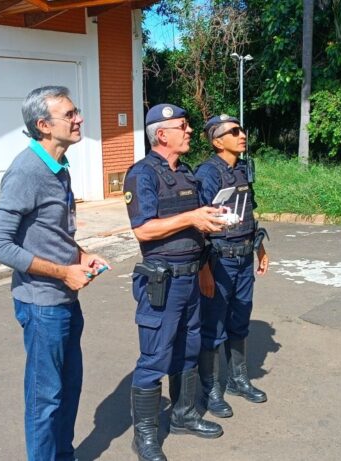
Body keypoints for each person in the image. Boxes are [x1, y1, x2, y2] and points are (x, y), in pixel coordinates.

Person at [0, 86, 109, 461]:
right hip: (42, 306)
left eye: (77, 111)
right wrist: (62, 272)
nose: (79, 119)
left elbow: (51, 232)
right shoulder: (27, 171)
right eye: (69, 114)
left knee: (68, 390)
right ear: (43, 125)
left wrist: (81, 254)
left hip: (64, 300)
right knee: (46, 399)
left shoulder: (59, 167)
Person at [123, 103, 228, 461]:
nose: (188, 132)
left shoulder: (186, 174)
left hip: (191, 279)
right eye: (182, 126)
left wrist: (204, 266)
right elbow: (143, 228)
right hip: (162, 283)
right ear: (161, 134)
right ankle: (146, 438)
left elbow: (197, 227)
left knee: (188, 349)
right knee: (155, 357)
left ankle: (183, 416)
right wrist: (191, 217)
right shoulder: (141, 175)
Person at [195, 114, 270, 419]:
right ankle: (211, 389)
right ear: (217, 141)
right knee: (213, 325)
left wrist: (260, 248)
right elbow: (198, 225)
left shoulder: (242, 168)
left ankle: (237, 380)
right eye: (234, 131)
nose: (242, 135)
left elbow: (249, 213)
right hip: (219, 259)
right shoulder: (207, 173)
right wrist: (204, 269)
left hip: (243, 258)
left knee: (240, 319)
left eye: (242, 129)